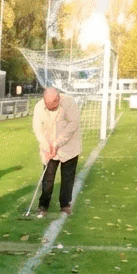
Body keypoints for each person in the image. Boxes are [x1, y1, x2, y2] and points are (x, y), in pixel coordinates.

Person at [32, 87, 82, 218]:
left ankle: (65, 205)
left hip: (69, 146)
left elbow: (73, 125)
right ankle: (43, 206)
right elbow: (37, 128)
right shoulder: (39, 107)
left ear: (58, 100)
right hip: (48, 147)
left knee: (68, 178)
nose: (49, 107)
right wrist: (46, 146)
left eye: (52, 105)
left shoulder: (69, 103)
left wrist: (57, 144)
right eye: (47, 105)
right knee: (47, 178)